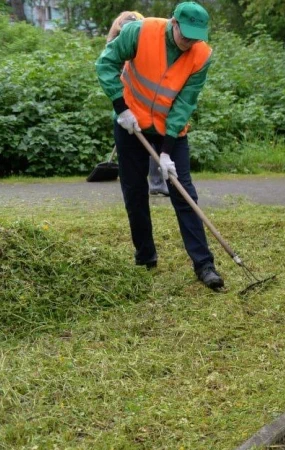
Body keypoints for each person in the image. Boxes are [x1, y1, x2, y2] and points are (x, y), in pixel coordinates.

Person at [95, 2, 224, 290]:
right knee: (135, 191)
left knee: (183, 191)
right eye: (185, 35)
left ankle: (204, 265)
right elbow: (106, 63)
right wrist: (121, 107)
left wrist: (166, 150)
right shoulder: (138, 32)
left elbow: (185, 103)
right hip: (131, 123)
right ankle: (146, 257)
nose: (188, 42)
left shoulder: (201, 55)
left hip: (170, 129)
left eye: (195, 37)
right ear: (173, 23)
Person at [105, 11, 170, 198]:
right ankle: (153, 183)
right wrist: (122, 110)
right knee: (135, 158)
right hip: (125, 107)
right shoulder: (116, 46)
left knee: (155, 146)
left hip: (150, 108)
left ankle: (157, 182)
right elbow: (110, 74)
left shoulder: (143, 33)